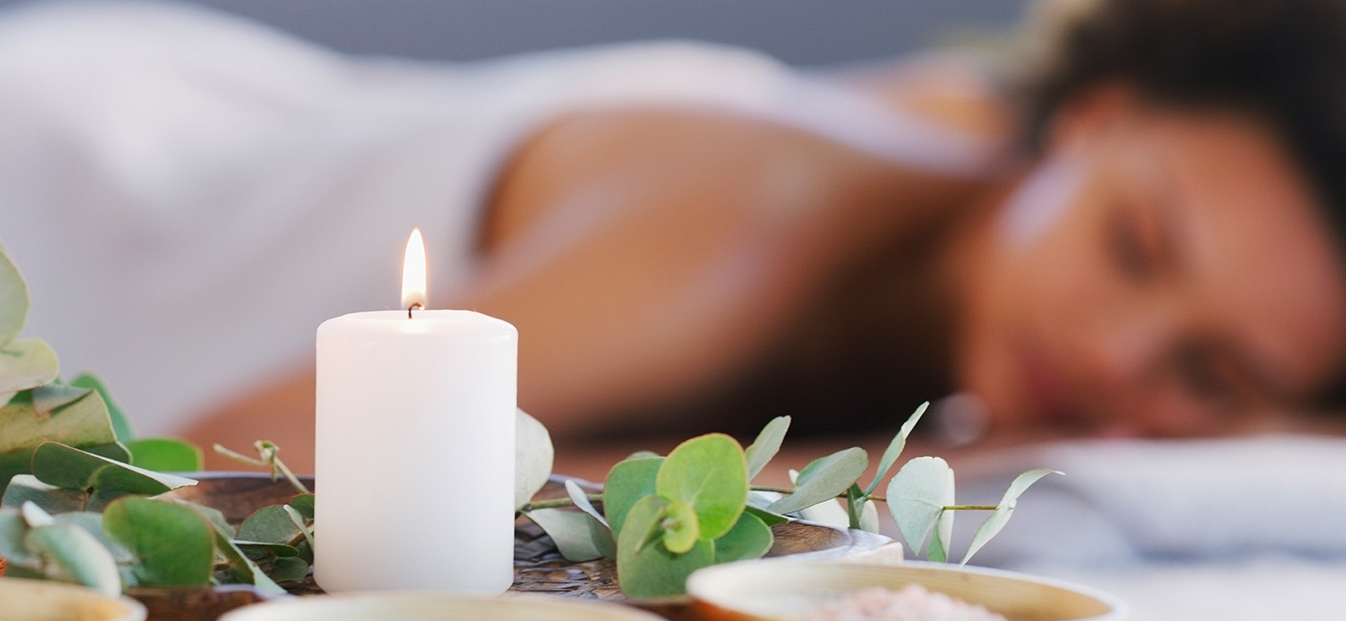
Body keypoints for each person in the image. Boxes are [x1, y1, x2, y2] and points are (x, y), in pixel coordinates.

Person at [179, 0, 1346, 475]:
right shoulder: (746, 235)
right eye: (1136, 245)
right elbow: (242, 473)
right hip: (134, 171)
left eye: (1213, 371)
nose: (1114, 355)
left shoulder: (967, 154)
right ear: (1093, 114)